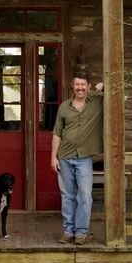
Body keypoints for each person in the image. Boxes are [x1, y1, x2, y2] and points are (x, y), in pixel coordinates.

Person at [50, 72, 104, 245]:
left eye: (83, 84)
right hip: (64, 156)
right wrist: (53, 157)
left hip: (84, 158)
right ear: (72, 87)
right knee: (67, 196)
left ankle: (81, 232)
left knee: (85, 196)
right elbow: (57, 133)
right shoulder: (64, 107)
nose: (80, 88)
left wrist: (104, 88)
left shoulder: (97, 102)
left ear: (88, 86)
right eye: (77, 85)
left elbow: (121, 97)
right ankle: (68, 231)